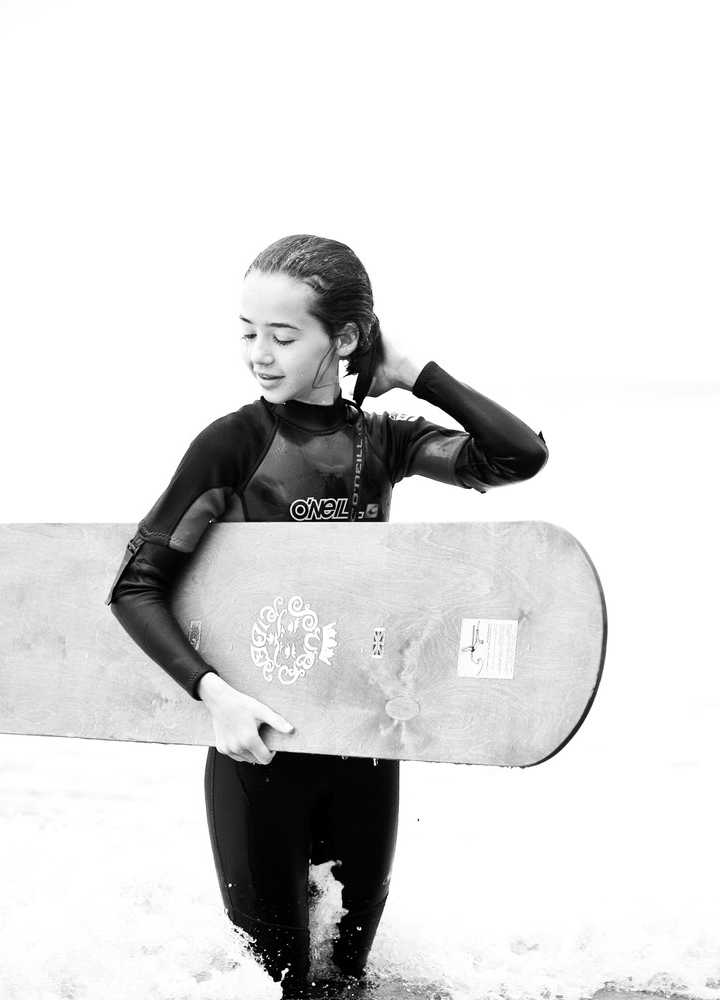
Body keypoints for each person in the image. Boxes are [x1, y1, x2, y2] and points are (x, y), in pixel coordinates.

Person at [106, 235, 547, 996]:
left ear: (343, 339)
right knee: (280, 987)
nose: (258, 353)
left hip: (366, 754)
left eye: (282, 335)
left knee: (347, 983)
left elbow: (517, 457)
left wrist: (415, 373)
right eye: (247, 331)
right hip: (258, 756)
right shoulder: (234, 444)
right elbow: (136, 586)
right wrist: (214, 694)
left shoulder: (381, 442)